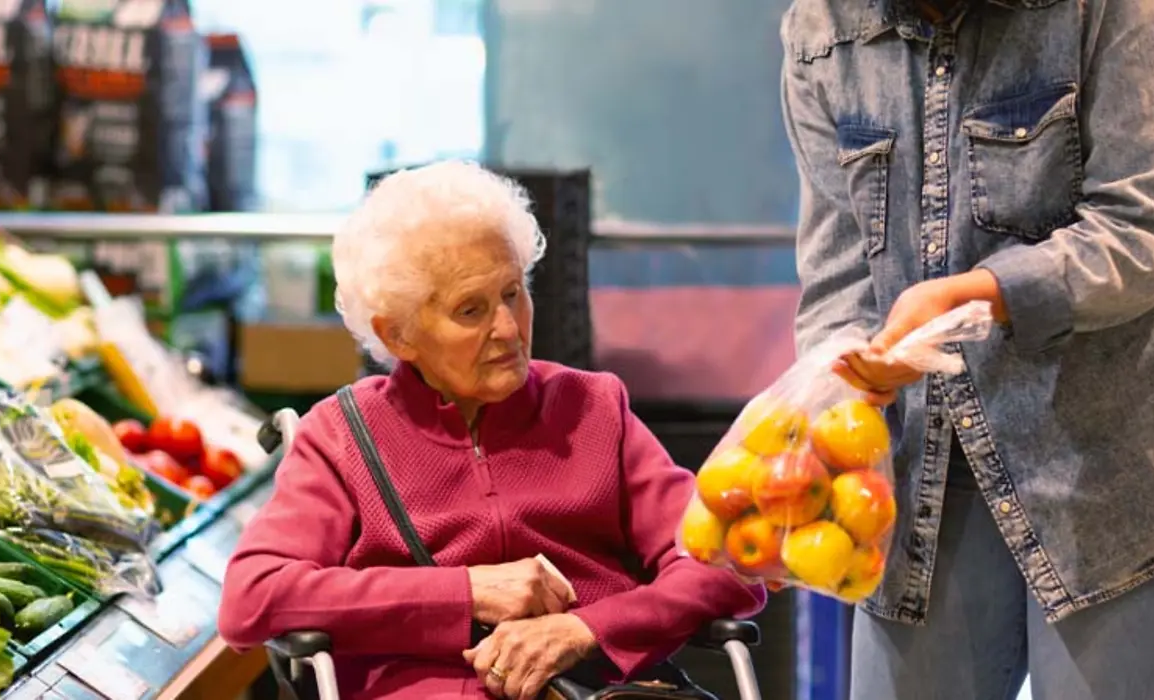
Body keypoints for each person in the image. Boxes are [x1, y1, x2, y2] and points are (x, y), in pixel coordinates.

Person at [779, 0, 1154, 697]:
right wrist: (839, 384)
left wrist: (981, 294)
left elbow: (1144, 228)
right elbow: (840, 272)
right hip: (943, 458)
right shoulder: (822, 27)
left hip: (1143, 457)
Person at [217, 160, 765, 700]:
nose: (508, 328)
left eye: (512, 293)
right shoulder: (340, 437)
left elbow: (726, 562)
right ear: (399, 334)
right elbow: (254, 597)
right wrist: (465, 593)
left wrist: (589, 629)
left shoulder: (595, 408)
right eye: (470, 310)